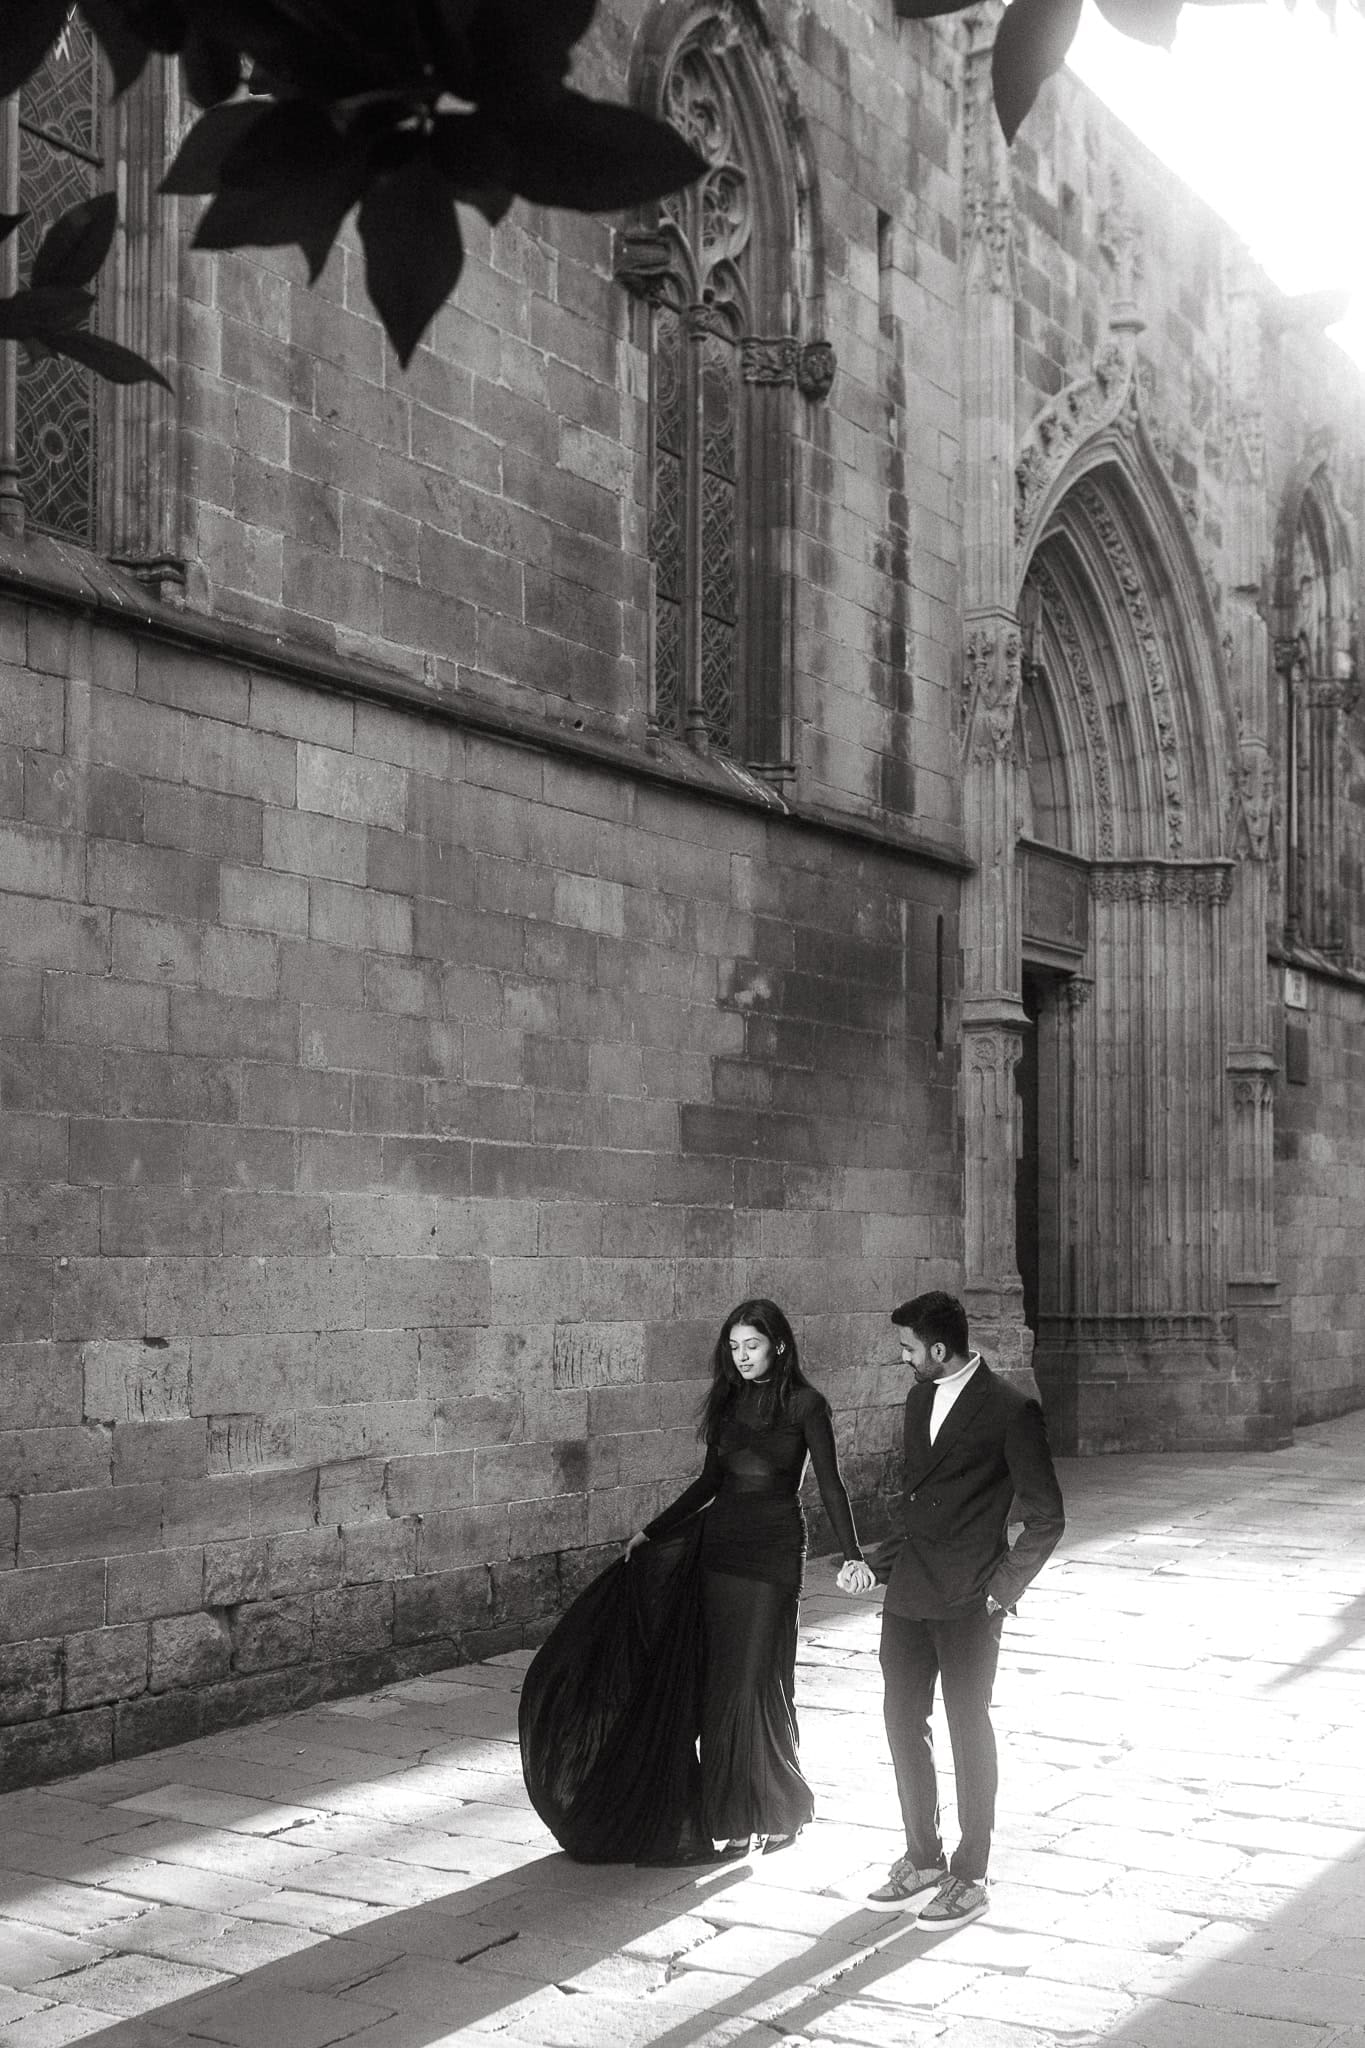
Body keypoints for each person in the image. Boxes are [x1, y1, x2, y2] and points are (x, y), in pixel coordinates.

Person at [624, 1298, 875, 1855]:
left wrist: (852, 1554)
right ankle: (734, 1819)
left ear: (778, 1345)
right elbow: (708, 1483)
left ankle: (779, 1809)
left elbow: (830, 1483)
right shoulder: (728, 1401)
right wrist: (652, 1530)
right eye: (734, 1347)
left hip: (773, 1551)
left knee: (755, 1679)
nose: (741, 1357)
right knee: (720, 1685)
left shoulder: (807, 1404)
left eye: (752, 1345)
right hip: (721, 1549)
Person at [857, 1290, 1064, 1929]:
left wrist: (1000, 1592)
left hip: (971, 1600)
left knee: (967, 1729)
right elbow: (921, 1511)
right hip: (910, 1596)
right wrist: (877, 1565)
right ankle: (923, 1859)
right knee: (901, 1720)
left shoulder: (1011, 1410)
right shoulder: (919, 1400)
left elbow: (1047, 1517)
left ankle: (971, 1875)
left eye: (909, 1349)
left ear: (940, 1348)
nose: (903, 1358)